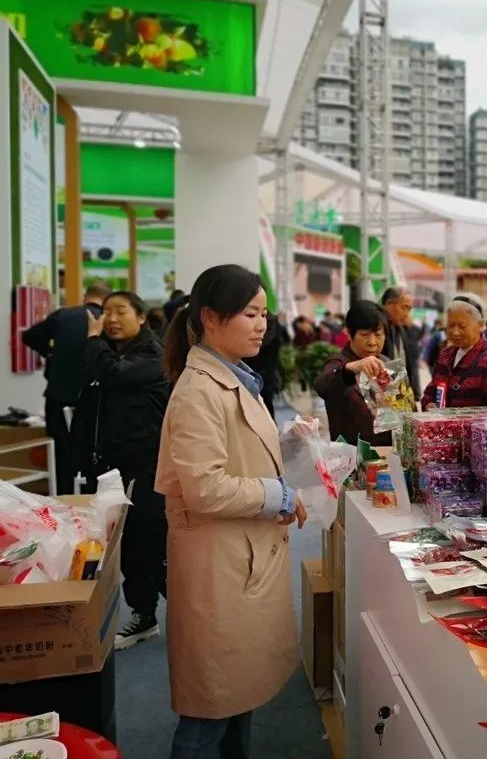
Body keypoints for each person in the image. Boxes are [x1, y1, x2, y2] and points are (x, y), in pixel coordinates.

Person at [158, 265, 306, 758]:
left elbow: (239, 447)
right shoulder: (200, 388)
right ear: (211, 318)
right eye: (250, 313)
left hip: (236, 558)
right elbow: (204, 486)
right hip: (218, 564)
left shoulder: (232, 376)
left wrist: (289, 440)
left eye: (264, 313)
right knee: (209, 710)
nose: (262, 324)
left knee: (234, 693)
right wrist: (280, 495)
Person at [81, 291, 170, 649]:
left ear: (142, 317)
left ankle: (192, 615)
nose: (111, 319)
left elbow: (113, 375)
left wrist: (92, 339)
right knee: (130, 545)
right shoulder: (115, 352)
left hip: (146, 467)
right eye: (106, 312)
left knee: (154, 544)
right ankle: (144, 616)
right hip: (116, 468)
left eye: (121, 311)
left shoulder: (152, 356)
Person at [22, 280, 111, 495]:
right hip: (94, 396)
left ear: (85, 295)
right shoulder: (109, 321)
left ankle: (63, 496)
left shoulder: (63, 315)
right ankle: (92, 495)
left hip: (59, 392)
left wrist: (50, 352)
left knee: (60, 448)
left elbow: (29, 335)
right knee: (94, 447)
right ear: (107, 298)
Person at [314, 300, 395, 446]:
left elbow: (406, 411)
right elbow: (322, 385)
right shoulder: (339, 363)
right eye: (364, 334)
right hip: (351, 459)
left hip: (388, 456)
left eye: (378, 334)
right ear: (349, 333)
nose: (372, 342)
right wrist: (351, 368)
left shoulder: (388, 365)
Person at [422, 296, 487, 409]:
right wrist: (428, 405)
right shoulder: (445, 355)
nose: (455, 332)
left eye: (462, 326)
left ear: (481, 325)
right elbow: (430, 392)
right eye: (450, 325)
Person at [243, 312, 289, 419]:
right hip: (268, 373)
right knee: (267, 407)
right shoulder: (278, 328)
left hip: (254, 372)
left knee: (257, 408)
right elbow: (286, 342)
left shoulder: (256, 330)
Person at [381, 287, 422, 399]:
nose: (407, 314)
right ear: (389, 304)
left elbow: (410, 364)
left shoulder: (401, 329)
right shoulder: (378, 330)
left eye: (409, 309)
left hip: (400, 395)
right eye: (404, 308)